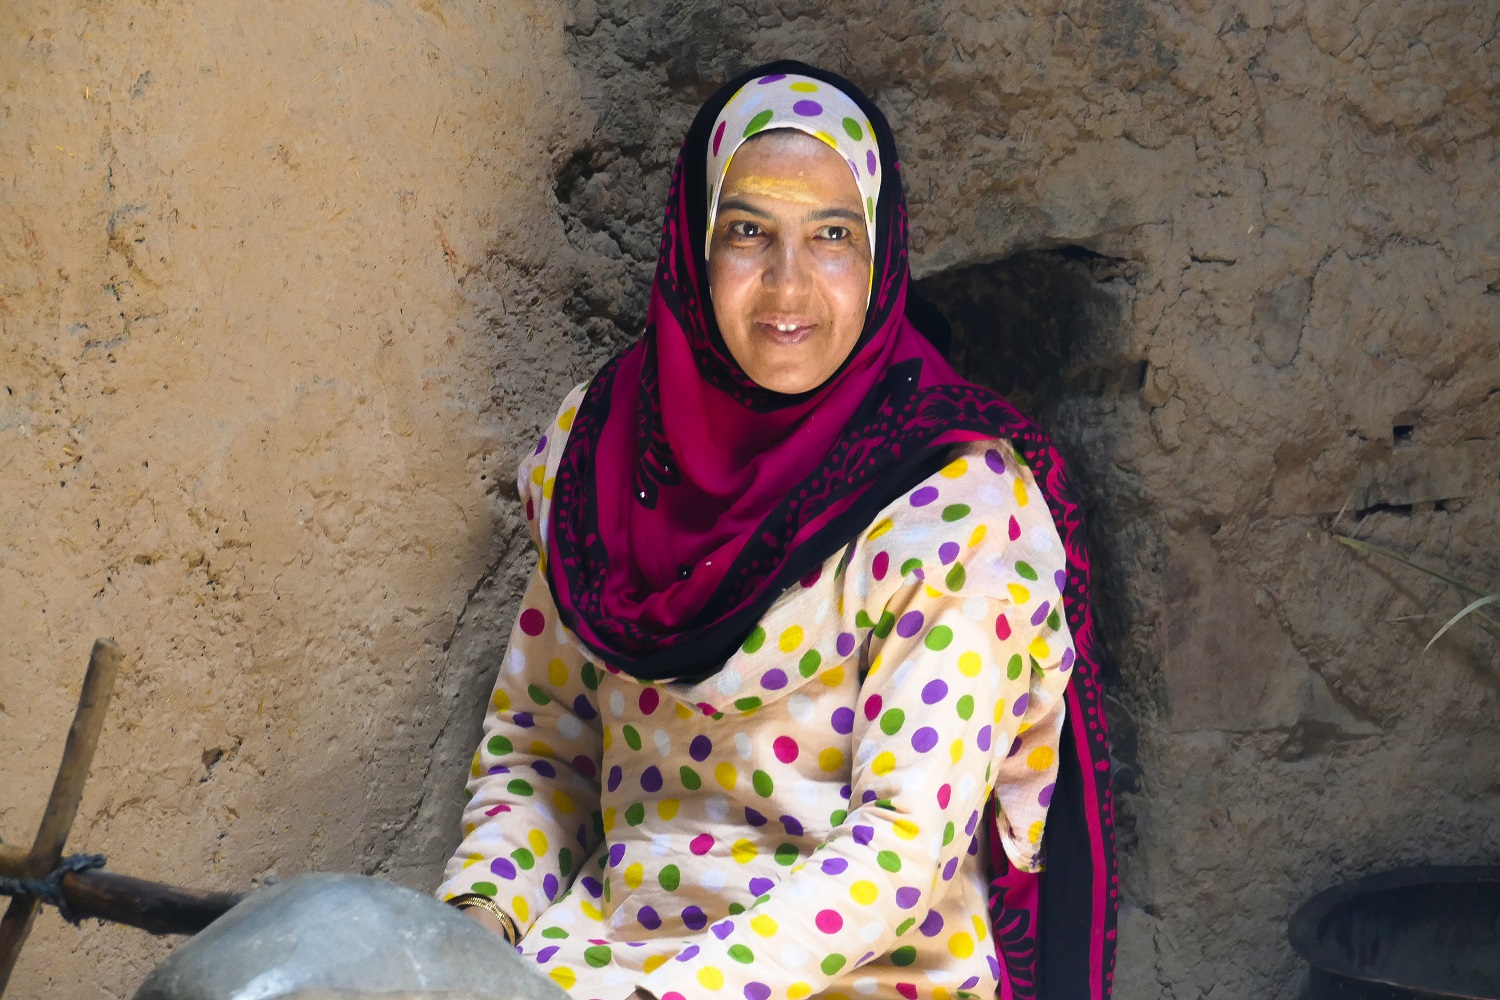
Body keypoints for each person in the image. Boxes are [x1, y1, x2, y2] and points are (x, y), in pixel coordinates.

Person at [436, 61, 1118, 1000]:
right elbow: (542, 742)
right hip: (605, 952)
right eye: (748, 231)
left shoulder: (953, 500)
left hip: (864, 973)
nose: (788, 287)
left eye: (832, 236)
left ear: (880, 259)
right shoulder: (605, 451)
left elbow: (901, 845)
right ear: (692, 243)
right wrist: (477, 922)